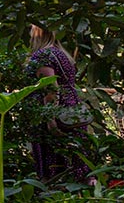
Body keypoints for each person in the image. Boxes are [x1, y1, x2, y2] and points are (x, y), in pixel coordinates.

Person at [26, 24, 91, 183]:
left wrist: (50, 120)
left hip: (57, 112)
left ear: (37, 32)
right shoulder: (61, 53)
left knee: (54, 159)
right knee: (75, 153)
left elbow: (50, 88)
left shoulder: (43, 55)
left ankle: (57, 193)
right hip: (72, 107)